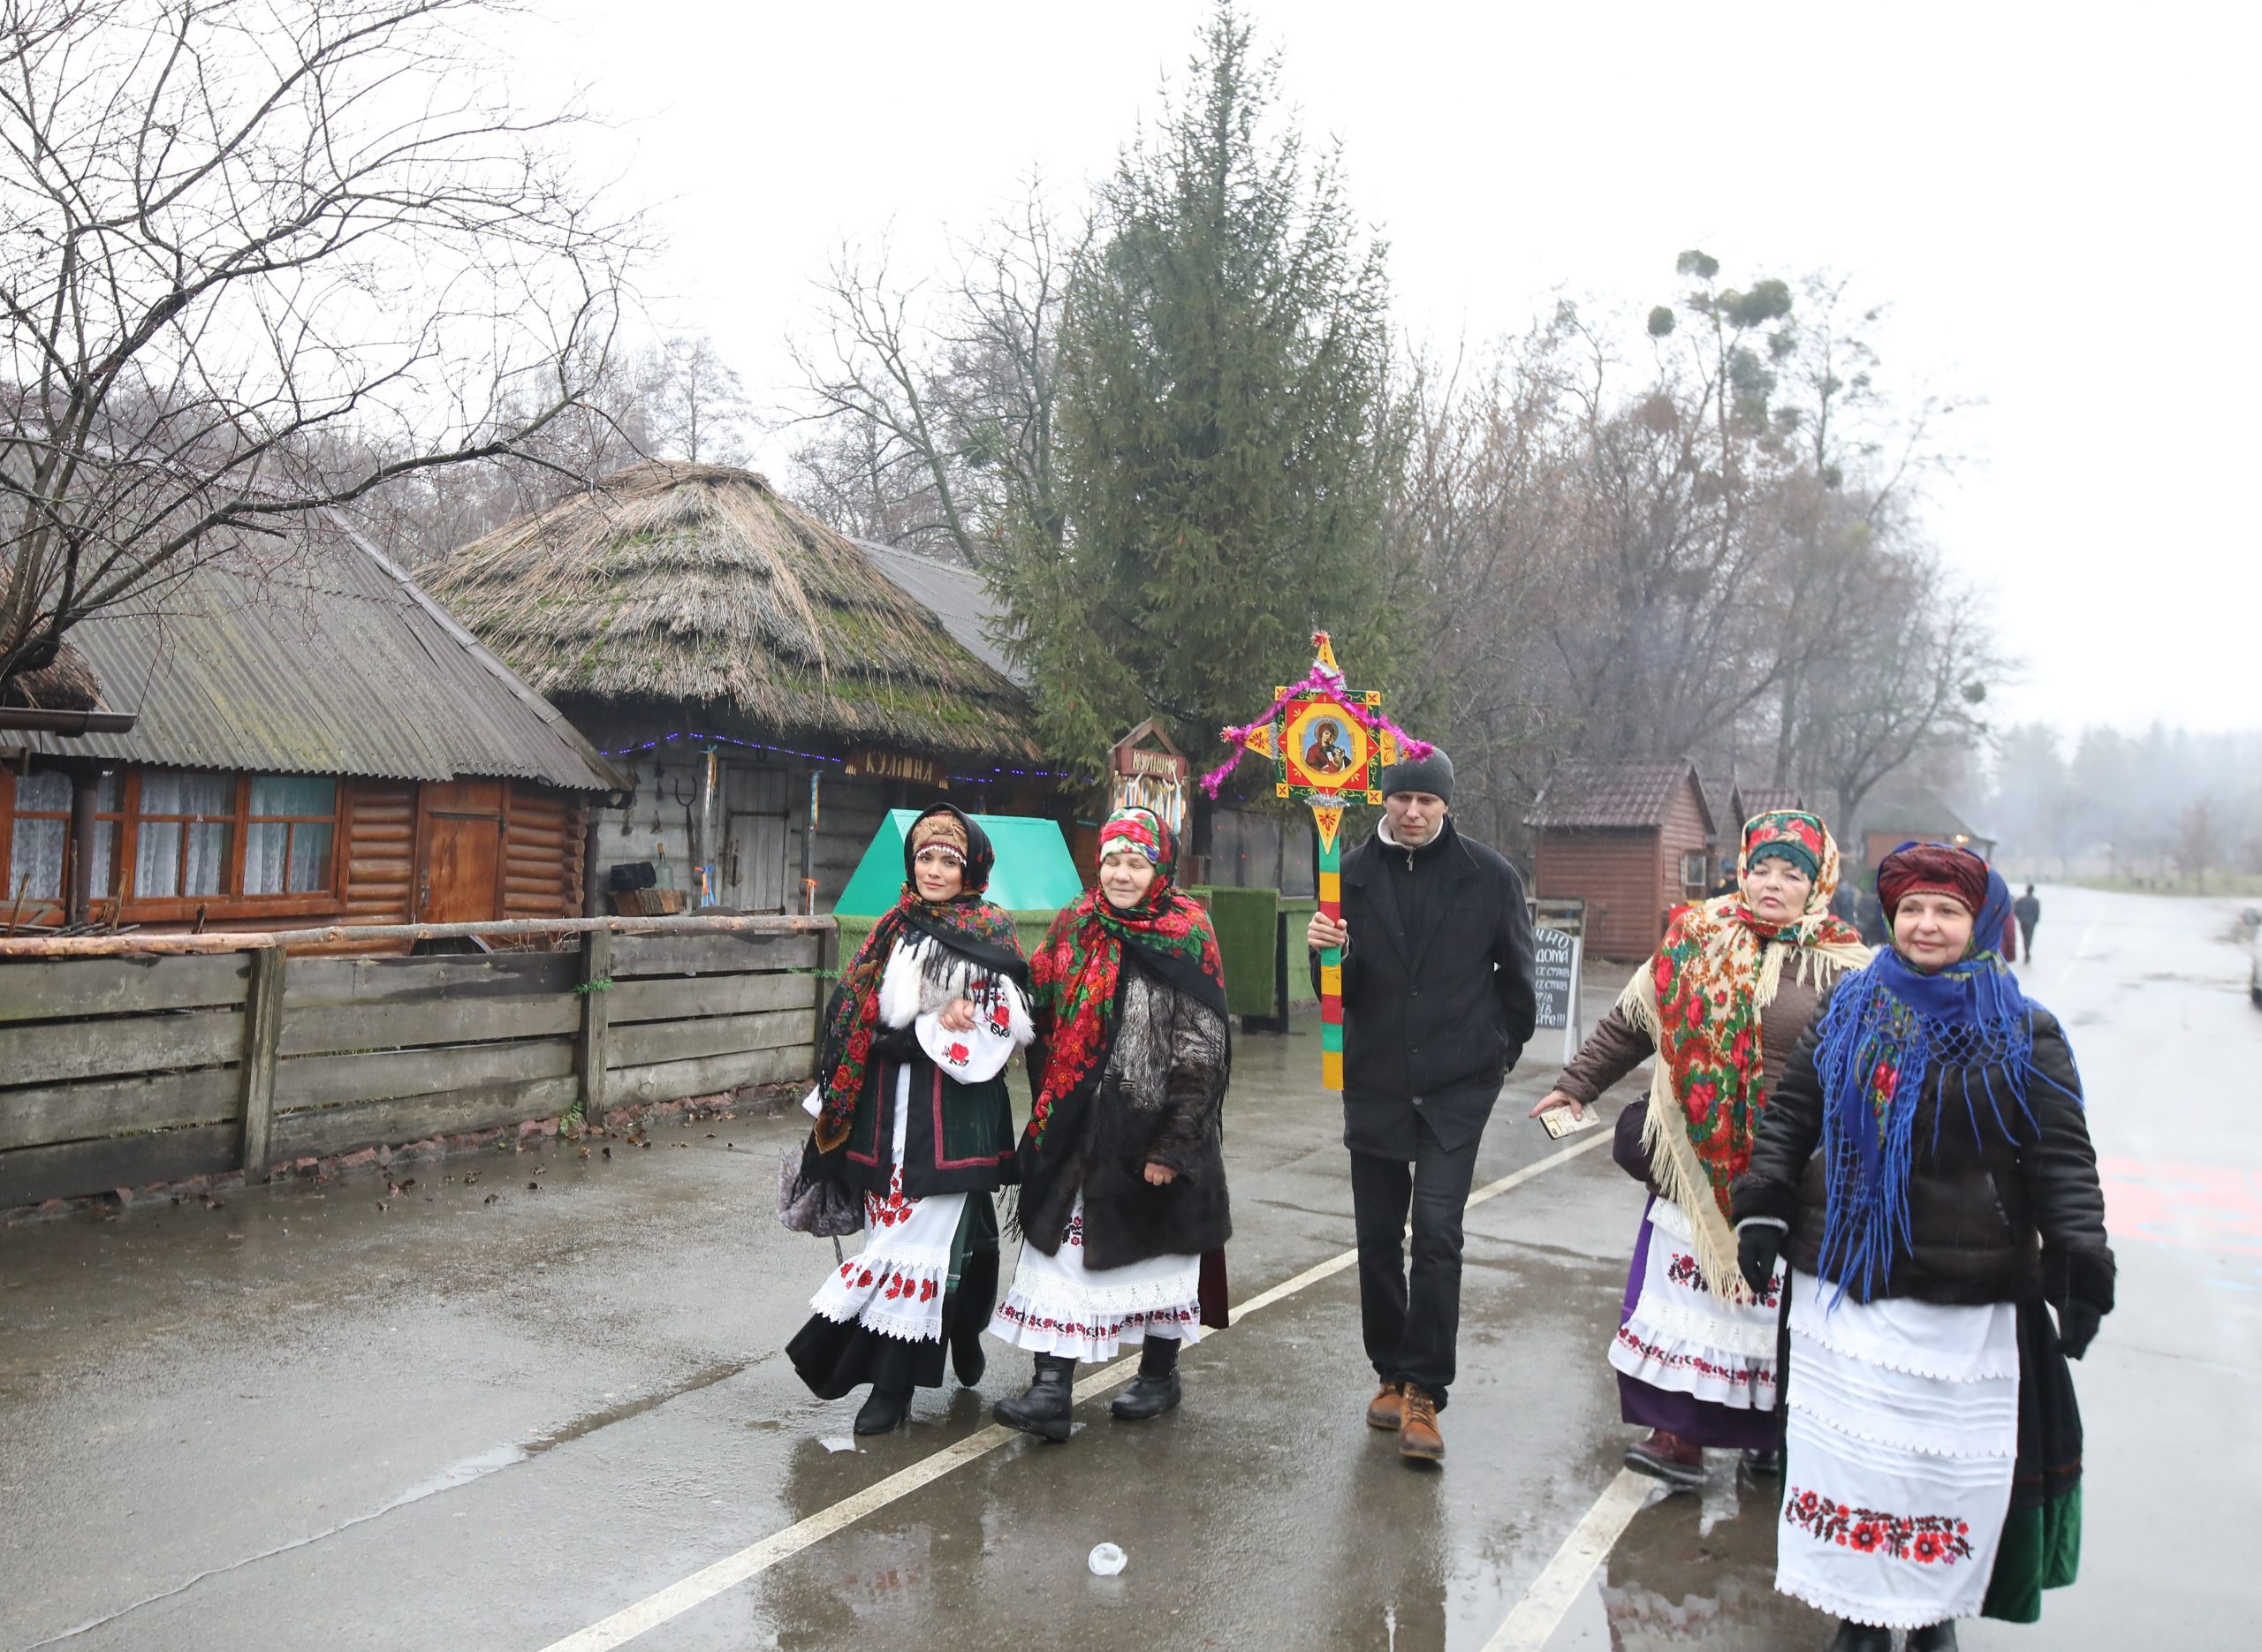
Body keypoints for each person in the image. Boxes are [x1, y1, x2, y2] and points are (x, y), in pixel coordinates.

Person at [1732, 844, 2113, 1652]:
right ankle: (1860, 1617)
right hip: (1847, 1291)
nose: (1926, 924)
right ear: (1891, 920)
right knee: (1852, 1468)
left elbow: (2062, 1163)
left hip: (1963, 1305)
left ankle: (1930, 1615)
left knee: (1939, 1474)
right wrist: (1762, 1208)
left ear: (1978, 925)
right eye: (1912, 910)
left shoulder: (2023, 1030)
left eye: (1946, 911)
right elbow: (1792, 1117)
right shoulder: (1849, 1009)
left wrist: (2079, 1270)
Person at [1531, 810, 1871, 1489]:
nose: (1773, 883)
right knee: (1689, 1307)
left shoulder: (1847, 966)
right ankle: (1678, 1435)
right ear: (1740, 870)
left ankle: (1769, 1436)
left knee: (1772, 1312)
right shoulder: (1695, 939)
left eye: (1792, 873)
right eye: (1762, 868)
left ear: (1819, 883)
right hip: (1695, 1156)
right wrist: (1575, 1086)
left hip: (1787, 1170)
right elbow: (1633, 1022)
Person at [1305, 748, 1537, 1464]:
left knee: (1436, 1233)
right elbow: (1333, 995)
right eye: (1402, 798)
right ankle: (1390, 1370)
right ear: (1384, 800)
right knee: (1378, 1238)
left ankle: (1426, 1393)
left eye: (1426, 802)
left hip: (1455, 1085)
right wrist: (1326, 954)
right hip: (1374, 1078)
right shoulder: (1345, 875)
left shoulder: (1490, 876)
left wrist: (1498, 1052)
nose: (1412, 812)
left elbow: (1519, 982)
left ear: (1446, 806)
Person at [786, 805, 1033, 1434]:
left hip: (953, 1119)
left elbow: (998, 1025)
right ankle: (960, 1329)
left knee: (917, 1250)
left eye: (949, 859)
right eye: (925, 856)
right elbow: (854, 1011)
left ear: (971, 866)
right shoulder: (891, 929)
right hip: (884, 1116)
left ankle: (889, 1388)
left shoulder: (990, 931)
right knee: (932, 1242)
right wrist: (903, 1032)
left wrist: (932, 1024)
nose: (935, 869)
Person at [991, 806, 1233, 1441]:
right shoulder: (1077, 920)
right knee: (1055, 1254)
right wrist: (976, 995)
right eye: (1113, 860)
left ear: (1159, 867)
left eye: (1136, 862)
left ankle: (1159, 1376)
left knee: (1163, 1259)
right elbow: (1035, 993)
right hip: (1077, 1117)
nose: (1122, 874)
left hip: (1152, 1124)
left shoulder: (1186, 931)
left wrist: (1175, 1145)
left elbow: (1202, 1045)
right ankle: (1050, 1392)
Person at [2014, 884, 2041, 960]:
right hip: (2031, 922)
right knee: (2029, 937)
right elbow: (2037, 913)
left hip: (2023, 921)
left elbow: (2016, 910)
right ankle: (2027, 951)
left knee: (2024, 936)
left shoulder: (2021, 900)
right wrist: (2035, 920)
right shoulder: (2035, 901)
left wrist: (2020, 918)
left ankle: (2026, 951)